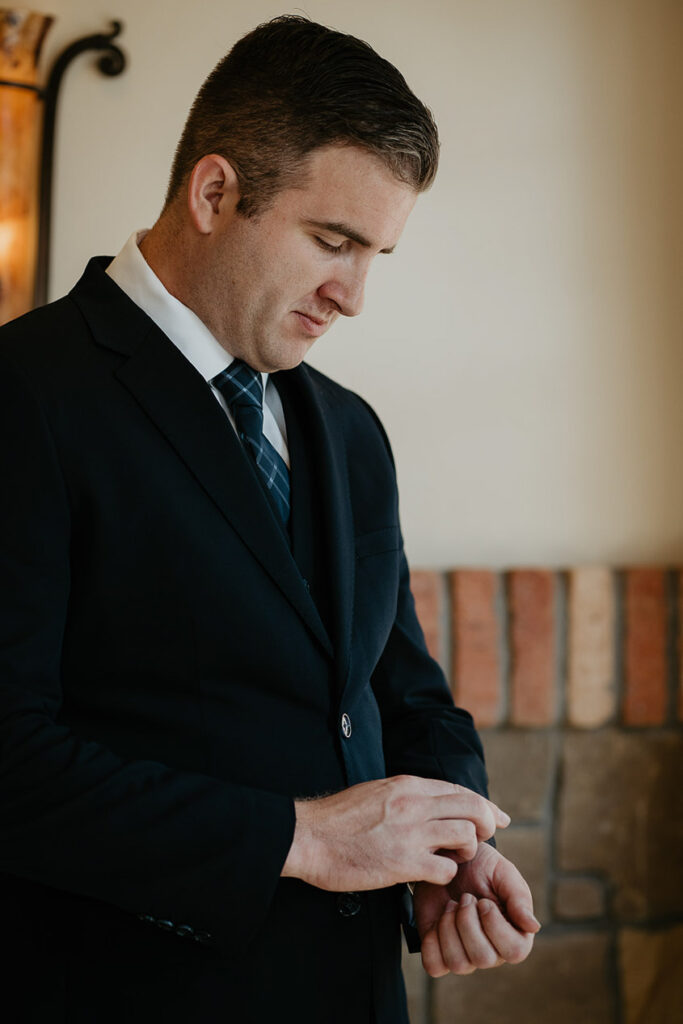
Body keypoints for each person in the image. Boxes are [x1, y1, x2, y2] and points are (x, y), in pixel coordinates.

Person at [0, 15, 539, 1023]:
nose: (354, 295)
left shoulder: (349, 430)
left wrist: (453, 847)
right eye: (332, 241)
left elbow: (404, 696)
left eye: (375, 252)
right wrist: (302, 838)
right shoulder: (26, 394)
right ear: (214, 193)